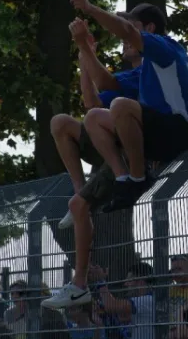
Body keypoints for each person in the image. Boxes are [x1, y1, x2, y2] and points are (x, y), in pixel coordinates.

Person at [44, 0, 188, 309]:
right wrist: (83, 50)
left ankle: (130, 177)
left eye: (129, 30)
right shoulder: (140, 74)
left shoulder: (163, 51)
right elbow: (95, 96)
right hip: (132, 140)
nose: (122, 41)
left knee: (116, 109)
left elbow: (111, 84)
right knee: (68, 125)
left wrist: (89, 9)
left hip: (173, 134)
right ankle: (99, 185)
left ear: (147, 29)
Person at [52, 20, 142, 230]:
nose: (125, 42)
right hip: (104, 140)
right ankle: (79, 189)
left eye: (130, 37)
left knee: (94, 117)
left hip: (128, 149)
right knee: (60, 122)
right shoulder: (124, 77)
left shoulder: (149, 72)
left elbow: (95, 103)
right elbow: (91, 102)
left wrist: (85, 49)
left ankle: (112, 183)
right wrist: (84, 61)